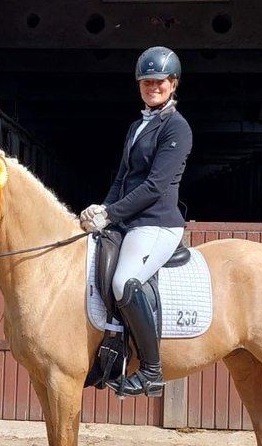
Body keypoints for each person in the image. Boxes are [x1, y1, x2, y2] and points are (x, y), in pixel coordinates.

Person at [80, 46, 193, 397]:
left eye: (159, 81)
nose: (152, 87)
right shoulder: (137, 126)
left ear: (173, 84)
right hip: (129, 220)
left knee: (124, 282)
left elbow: (155, 186)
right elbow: (123, 177)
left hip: (157, 223)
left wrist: (112, 214)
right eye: (146, 82)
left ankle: (151, 371)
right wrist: (102, 207)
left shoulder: (177, 127)